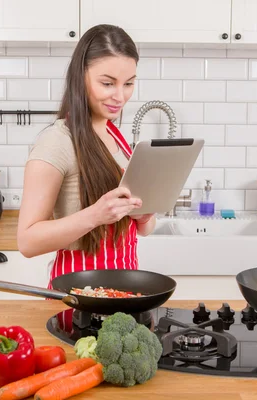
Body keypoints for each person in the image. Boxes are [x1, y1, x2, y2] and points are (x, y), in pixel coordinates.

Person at [17, 24, 156, 290]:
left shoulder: (114, 134)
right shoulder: (57, 141)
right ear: (80, 77)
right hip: (78, 295)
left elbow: (143, 231)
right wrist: (96, 215)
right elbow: (27, 242)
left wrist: (143, 216)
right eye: (107, 83)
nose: (120, 96)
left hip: (124, 292)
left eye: (128, 84)